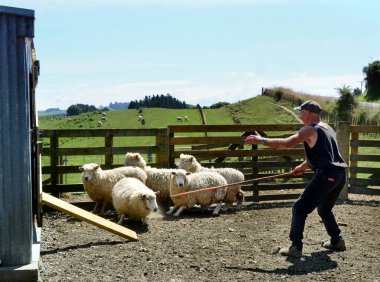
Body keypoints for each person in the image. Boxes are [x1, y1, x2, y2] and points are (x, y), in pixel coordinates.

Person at [244, 100, 347, 257]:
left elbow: (286, 143)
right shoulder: (327, 127)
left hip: (326, 175)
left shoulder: (309, 129)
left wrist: (262, 140)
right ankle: (337, 241)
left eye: (302, 112)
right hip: (339, 175)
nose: (300, 115)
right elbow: (326, 154)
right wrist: (303, 166)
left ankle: (295, 248)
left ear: (310, 113)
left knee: (299, 208)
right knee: (324, 209)